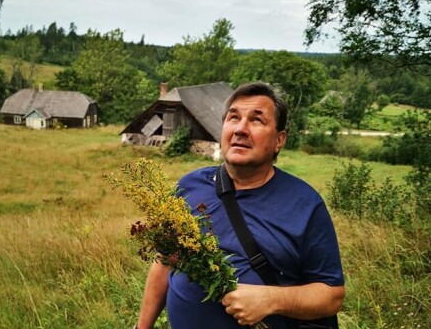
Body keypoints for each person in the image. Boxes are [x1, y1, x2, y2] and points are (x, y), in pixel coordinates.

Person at [134, 82, 345, 328]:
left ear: (279, 140)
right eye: (233, 118)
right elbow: (165, 262)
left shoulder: (305, 204)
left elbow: (331, 296)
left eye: (257, 120)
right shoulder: (189, 186)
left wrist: (271, 300)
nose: (241, 129)